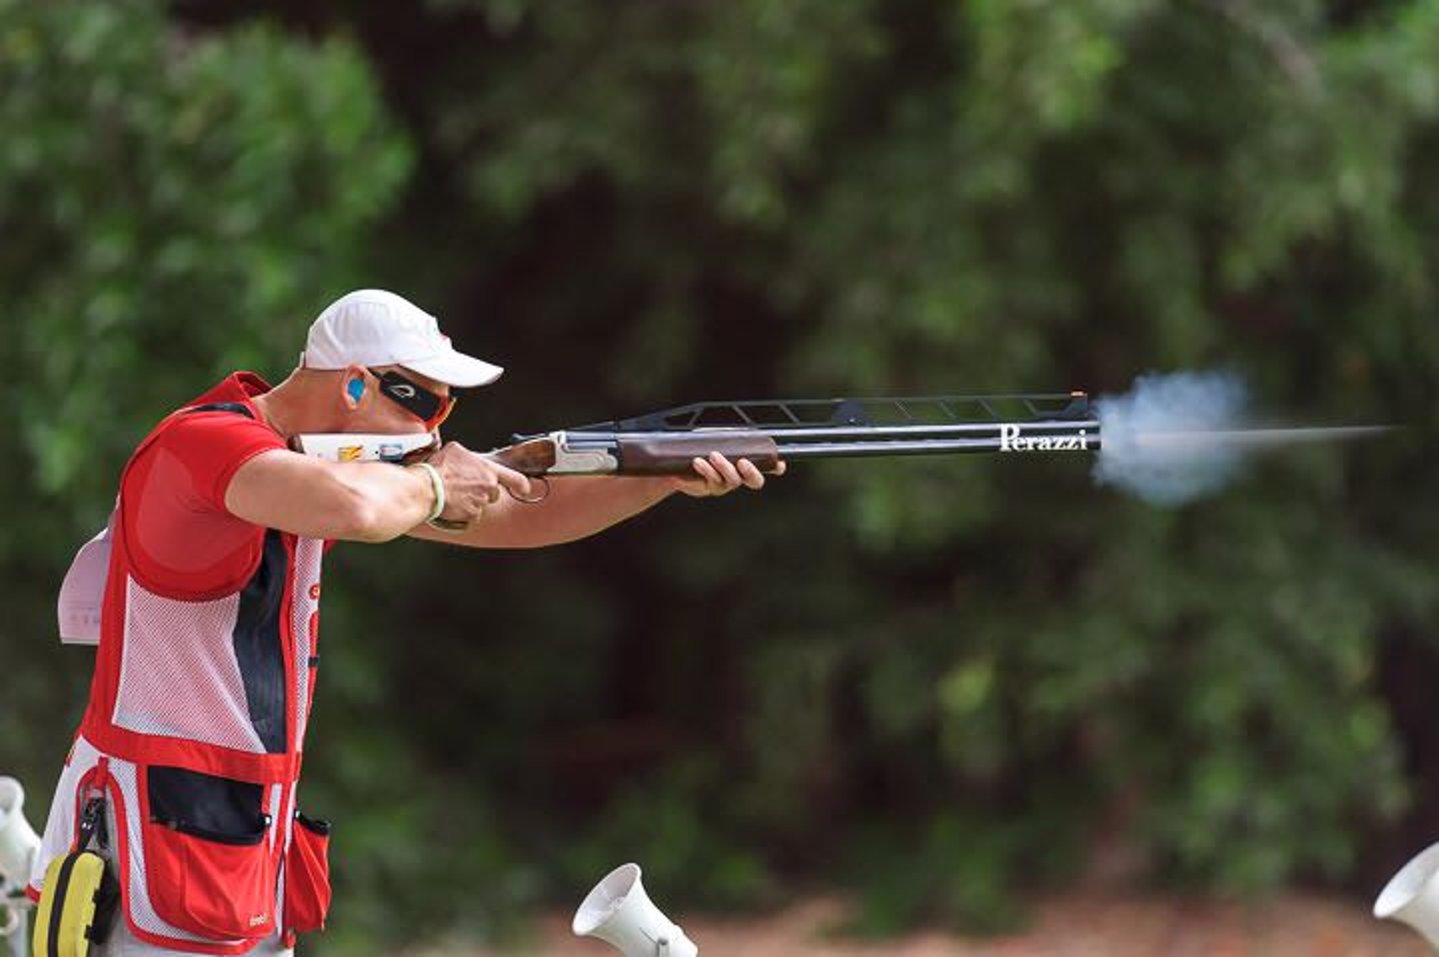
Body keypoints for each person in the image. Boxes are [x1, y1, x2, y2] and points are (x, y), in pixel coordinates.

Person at [26, 289, 782, 956]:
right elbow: (360, 507)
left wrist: (659, 482)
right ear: (353, 383)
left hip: (231, 845)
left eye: (445, 408)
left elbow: (514, 516)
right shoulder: (206, 444)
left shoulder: (317, 465)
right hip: (144, 847)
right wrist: (430, 479)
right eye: (420, 401)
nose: (435, 427)